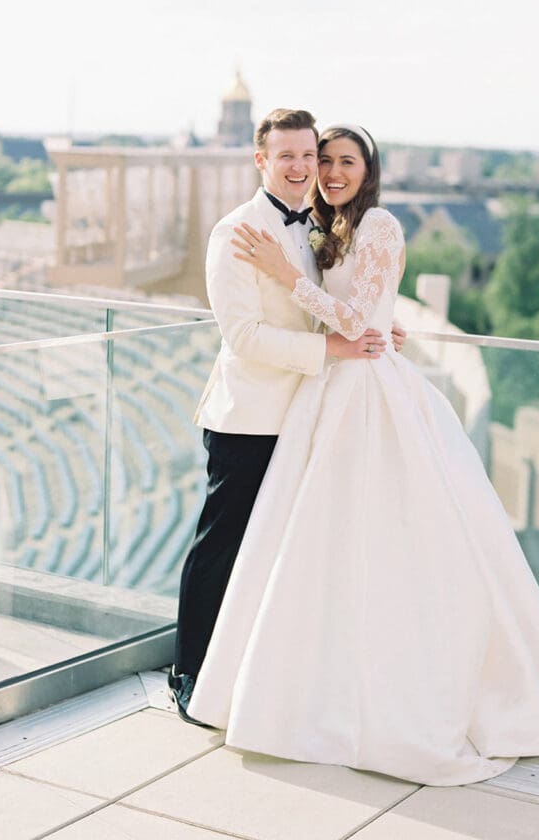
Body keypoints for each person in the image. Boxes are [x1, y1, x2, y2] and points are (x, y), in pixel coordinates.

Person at [187, 123, 539, 785]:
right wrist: (379, 317)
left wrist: (291, 277)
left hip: (364, 394)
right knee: (318, 547)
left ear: (368, 169)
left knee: (384, 538)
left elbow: (354, 319)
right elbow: (357, 312)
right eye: (323, 160)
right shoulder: (330, 230)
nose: (329, 171)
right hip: (325, 391)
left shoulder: (377, 224)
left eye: (343, 161)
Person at [169, 109, 397, 724]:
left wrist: (375, 322)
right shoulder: (236, 232)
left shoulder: (320, 226)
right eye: (290, 156)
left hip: (307, 414)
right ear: (260, 160)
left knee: (277, 552)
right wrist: (331, 348)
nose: (304, 168)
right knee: (222, 546)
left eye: (311, 155)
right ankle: (190, 671)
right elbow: (243, 335)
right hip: (250, 416)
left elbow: (337, 299)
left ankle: (247, 669)